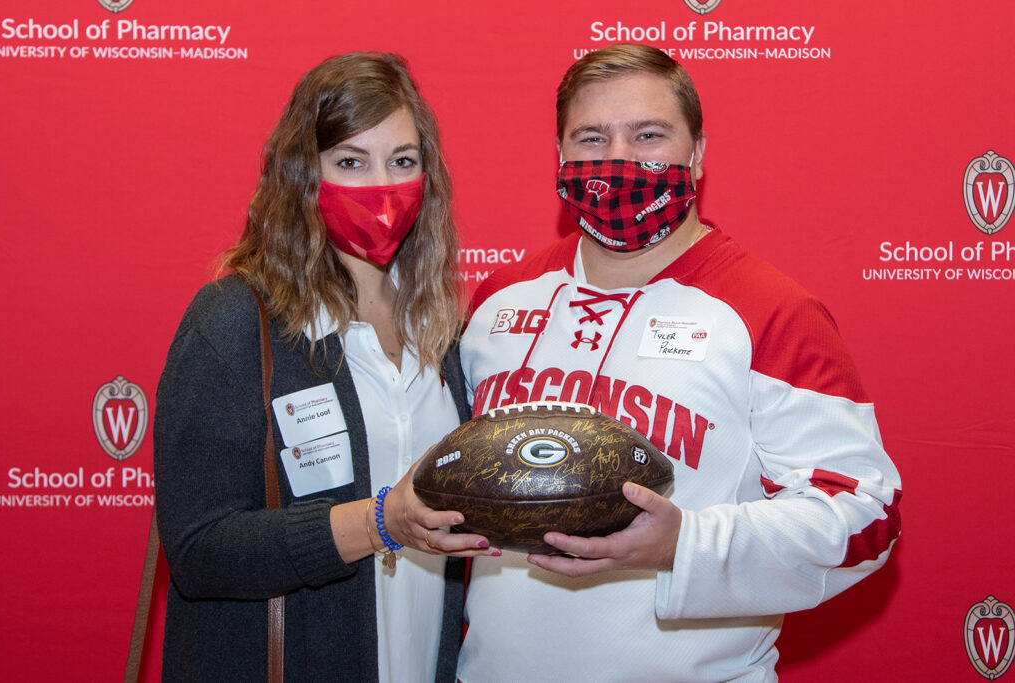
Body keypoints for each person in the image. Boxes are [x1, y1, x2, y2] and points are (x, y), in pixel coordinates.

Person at [457, 44, 902, 682]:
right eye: (591, 137)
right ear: (559, 155)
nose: (617, 160)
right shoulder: (498, 301)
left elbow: (867, 519)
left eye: (648, 135)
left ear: (696, 154)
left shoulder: (770, 311)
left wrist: (683, 545)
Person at [154, 52, 496, 682]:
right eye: (349, 162)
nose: (381, 186)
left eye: (402, 161)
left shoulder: (439, 328)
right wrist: (378, 523)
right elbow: (198, 551)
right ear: (301, 175)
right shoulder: (235, 320)